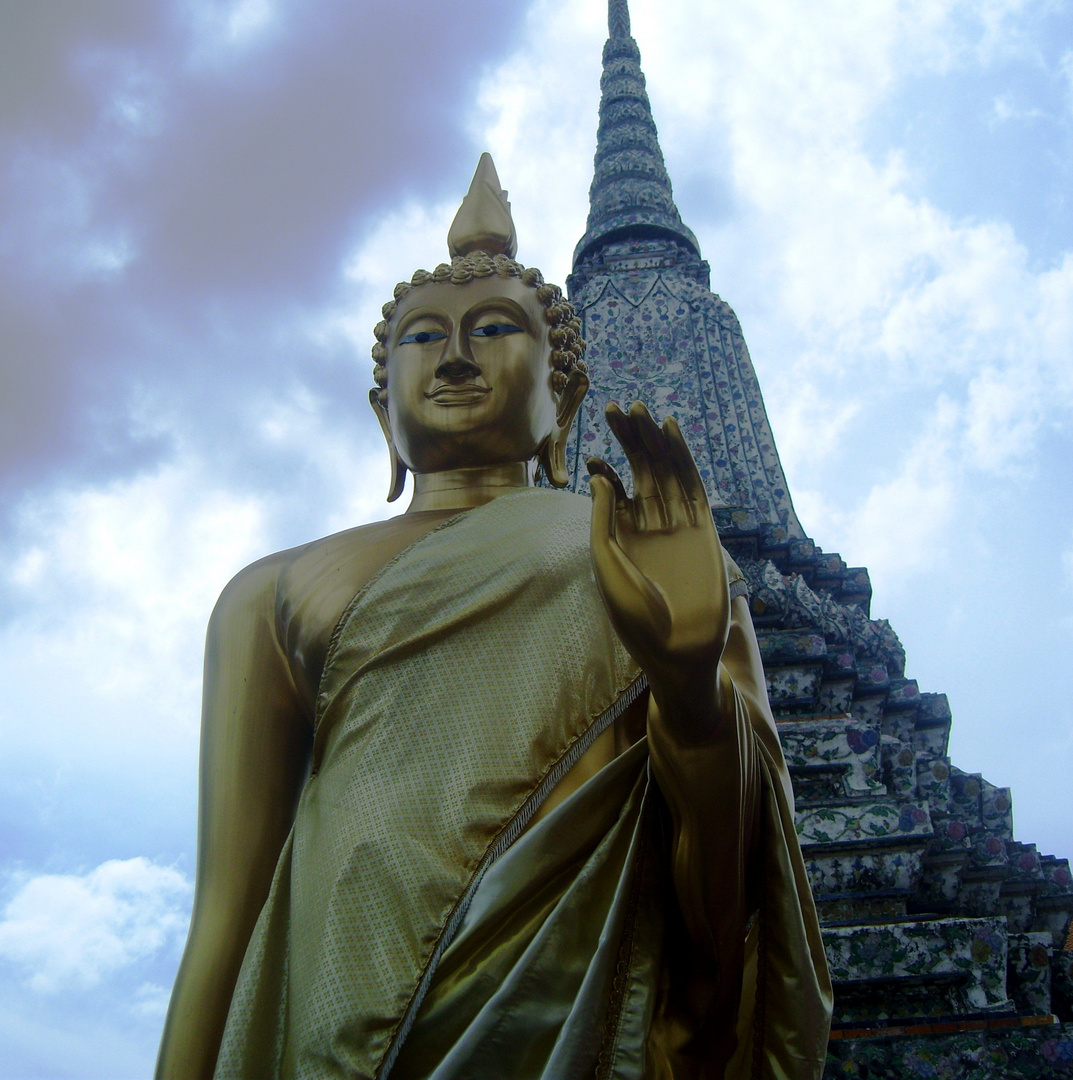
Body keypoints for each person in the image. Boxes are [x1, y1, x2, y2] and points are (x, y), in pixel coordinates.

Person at [156, 155, 831, 1080]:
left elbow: (734, 875)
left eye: (495, 328)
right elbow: (225, 914)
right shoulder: (272, 591)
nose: (457, 355)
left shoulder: (646, 558)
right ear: (378, 408)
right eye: (423, 337)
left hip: (572, 1016)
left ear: (565, 400)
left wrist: (690, 696)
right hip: (333, 1011)